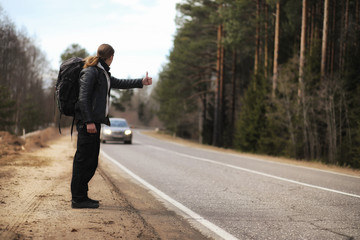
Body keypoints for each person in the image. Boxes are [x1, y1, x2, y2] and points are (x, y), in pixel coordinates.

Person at [71, 43, 152, 209]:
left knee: (91, 162)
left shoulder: (102, 73)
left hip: (94, 123)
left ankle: (82, 196)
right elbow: (83, 98)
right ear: (111, 57)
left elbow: (119, 83)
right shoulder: (91, 71)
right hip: (88, 124)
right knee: (83, 161)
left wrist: (141, 82)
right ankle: (78, 199)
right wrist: (88, 121)